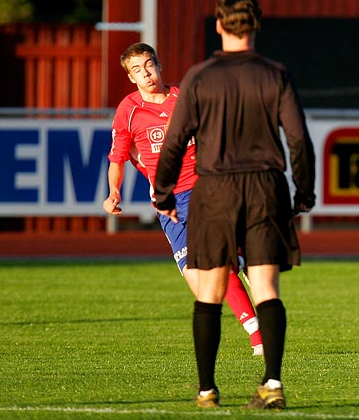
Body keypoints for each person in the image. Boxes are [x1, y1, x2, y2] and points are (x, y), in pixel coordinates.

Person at [153, 0, 316, 409]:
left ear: (220, 26)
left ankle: (207, 391)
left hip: (213, 190)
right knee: (265, 286)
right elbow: (298, 138)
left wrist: (164, 192)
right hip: (265, 186)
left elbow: (174, 141)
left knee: (209, 289)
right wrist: (304, 192)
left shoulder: (199, 77)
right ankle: (273, 384)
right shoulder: (275, 74)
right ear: (255, 27)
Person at [103, 42, 263, 355]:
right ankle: (240, 258)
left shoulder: (185, 99)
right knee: (201, 282)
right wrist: (114, 192)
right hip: (168, 204)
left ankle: (257, 334)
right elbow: (117, 158)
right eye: (137, 69)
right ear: (131, 77)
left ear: (159, 66)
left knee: (210, 263)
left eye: (149, 65)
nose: (145, 73)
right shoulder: (128, 111)